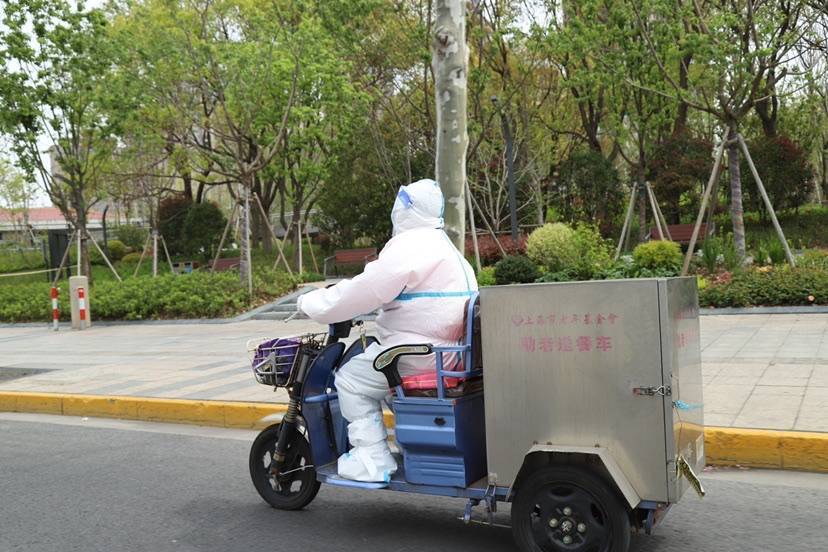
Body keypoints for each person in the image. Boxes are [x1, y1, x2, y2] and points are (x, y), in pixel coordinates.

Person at [297, 178, 478, 482]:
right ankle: (403, 445)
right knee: (378, 385)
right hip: (447, 354)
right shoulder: (445, 248)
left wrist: (311, 303)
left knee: (352, 380)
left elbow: (362, 291)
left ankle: (373, 460)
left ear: (408, 209)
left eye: (400, 202)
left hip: (414, 353)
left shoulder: (411, 247)